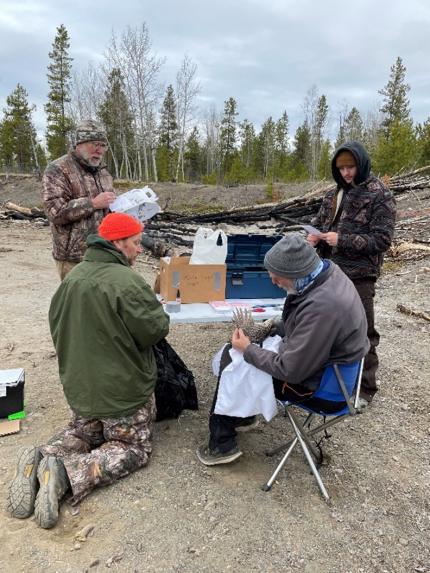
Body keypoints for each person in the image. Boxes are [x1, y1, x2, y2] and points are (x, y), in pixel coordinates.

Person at [7, 212, 170, 528]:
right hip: (124, 395)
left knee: (86, 430)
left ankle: (46, 457)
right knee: (131, 447)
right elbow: (155, 330)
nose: (139, 250)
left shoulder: (73, 277)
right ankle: (67, 475)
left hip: (82, 391)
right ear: (119, 242)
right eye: (135, 243)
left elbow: (57, 327)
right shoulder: (128, 282)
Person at [196, 233, 369, 466]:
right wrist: (272, 326)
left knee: (234, 360)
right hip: (335, 373)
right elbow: (303, 325)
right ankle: (242, 416)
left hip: (324, 390)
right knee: (248, 353)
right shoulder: (326, 274)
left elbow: (291, 370)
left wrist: (247, 349)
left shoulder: (322, 306)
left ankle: (221, 444)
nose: (273, 281)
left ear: (297, 273)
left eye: (277, 278)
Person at [307, 141, 396, 406]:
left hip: (360, 276)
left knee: (364, 330)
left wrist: (342, 239)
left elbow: (382, 240)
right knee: (326, 326)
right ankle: (328, 377)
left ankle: (366, 389)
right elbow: (319, 223)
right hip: (328, 272)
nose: (346, 173)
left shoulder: (380, 195)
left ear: (362, 163)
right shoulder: (334, 194)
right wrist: (313, 236)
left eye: (351, 166)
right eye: (342, 168)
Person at [42, 119, 116, 280]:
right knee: (77, 304)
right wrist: (93, 203)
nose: (100, 150)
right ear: (79, 143)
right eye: (95, 144)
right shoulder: (58, 169)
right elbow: (54, 212)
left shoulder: (103, 172)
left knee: (101, 303)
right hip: (74, 258)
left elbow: (107, 209)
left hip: (104, 252)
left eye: (103, 145)